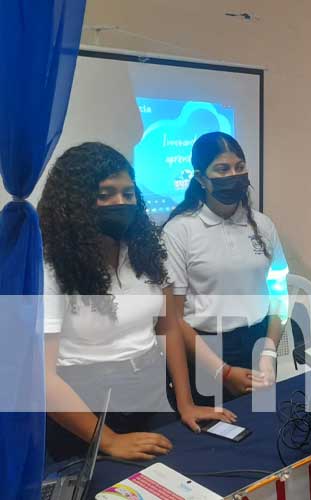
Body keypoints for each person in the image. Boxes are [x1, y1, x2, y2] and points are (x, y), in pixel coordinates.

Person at [38, 143, 234, 462]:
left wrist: (184, 401)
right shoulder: (50, 267)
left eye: (128, 194)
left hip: (150, 391)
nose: (121, 202)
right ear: (75, 203)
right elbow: (43, 376)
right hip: (85, 409)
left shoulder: (147, 250)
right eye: (106, 195)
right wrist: (110, 440)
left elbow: (168, 326)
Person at [163, 132, 288, 405]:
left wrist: (269, 352)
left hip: (260, 340)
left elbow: (279, 293)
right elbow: (173, 316)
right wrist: (221, 371)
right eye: (222, 169)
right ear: (200, 178)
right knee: (216, 438)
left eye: (239, 167)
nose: (234, 175)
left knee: (263, 430)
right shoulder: (180, 230)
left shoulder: (263, 225)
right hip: (205, 350)